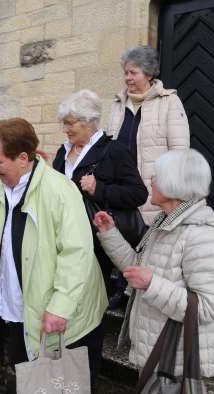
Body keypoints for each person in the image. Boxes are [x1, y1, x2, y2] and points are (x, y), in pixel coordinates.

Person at [0, 118, 108, 394]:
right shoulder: (0, 183)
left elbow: (77, 254)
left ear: (23, 158)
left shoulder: (60, 191)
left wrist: (60, 306)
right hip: (20, 306)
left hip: (60, 311)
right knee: (32, 382)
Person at [94, 148, 214, 379]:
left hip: (179, 363)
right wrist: (109, 233)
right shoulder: (164, 225)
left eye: (157, 176)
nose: (151, 181)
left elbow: (207, 308)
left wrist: (152, 284)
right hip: (158, 353)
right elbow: (136, 268)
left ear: (174, 184)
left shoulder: (204, 237)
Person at [52, 89, 148, 304]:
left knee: (91, 301)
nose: (65, 129)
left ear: (88, 121)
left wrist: (100, 190)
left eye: (70, 123)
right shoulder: (62, 152)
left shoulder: (114, 151)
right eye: (64, 123)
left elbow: (138, 194)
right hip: (65, 237)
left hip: (96, 242)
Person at [105, 45, 190, 224]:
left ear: (149, 74)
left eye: (133, 73)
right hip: (120, 191)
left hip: (153, 194)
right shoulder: (118, 105)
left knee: (148, 246)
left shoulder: (169, 102)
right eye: (126, 73)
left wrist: (168, 191)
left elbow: (179, 152)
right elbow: (107, 147)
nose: (128, 78)